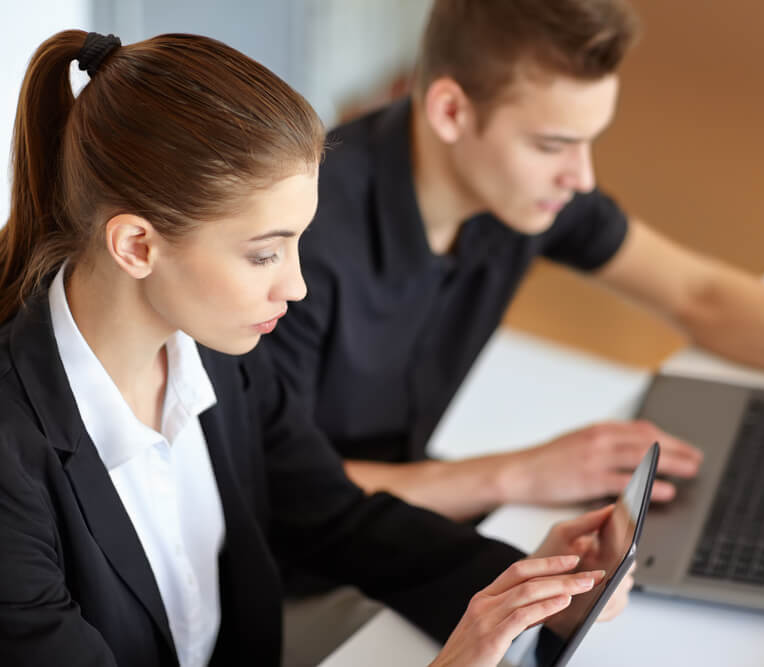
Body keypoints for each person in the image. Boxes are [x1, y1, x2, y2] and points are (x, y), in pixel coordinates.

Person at [0, 30, 631, 667]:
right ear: (136, 245)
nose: (296, 285)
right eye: (264, 253)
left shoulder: (216, 356)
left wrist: (532, 587)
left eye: (298, 242)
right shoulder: (10, 457)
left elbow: (337, 520)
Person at [263, 0, 764, 525]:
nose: (582, 178)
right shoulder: (300, 242)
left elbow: (699, 294)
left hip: (404, 508)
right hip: (290, 562)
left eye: (590, 141)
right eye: (554, 144)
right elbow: (273, 483)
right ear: (449, 110)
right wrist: (517, 474)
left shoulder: (526, 192)